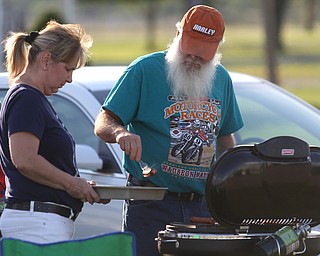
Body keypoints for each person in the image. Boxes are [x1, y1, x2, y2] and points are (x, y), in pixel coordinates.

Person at [94, 5, 244, 256]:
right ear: (177, 35)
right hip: (151, 203)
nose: (194, 58)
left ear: (217, 48)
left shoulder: (222, 80)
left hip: (203, 207)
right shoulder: (144, 70)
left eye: (203, 53)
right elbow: (104, 121)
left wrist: (231, 179)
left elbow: (226, 137)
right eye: (190, 49)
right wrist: (121, 133)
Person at [0, 20, 106, 243]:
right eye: (68, 69)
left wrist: (80, 185)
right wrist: (71, 184)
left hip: (41, 221)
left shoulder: (31, 97)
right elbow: (25, 159)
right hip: (37, 223)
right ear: (46, 59)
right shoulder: (26, 97)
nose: (69, 78)